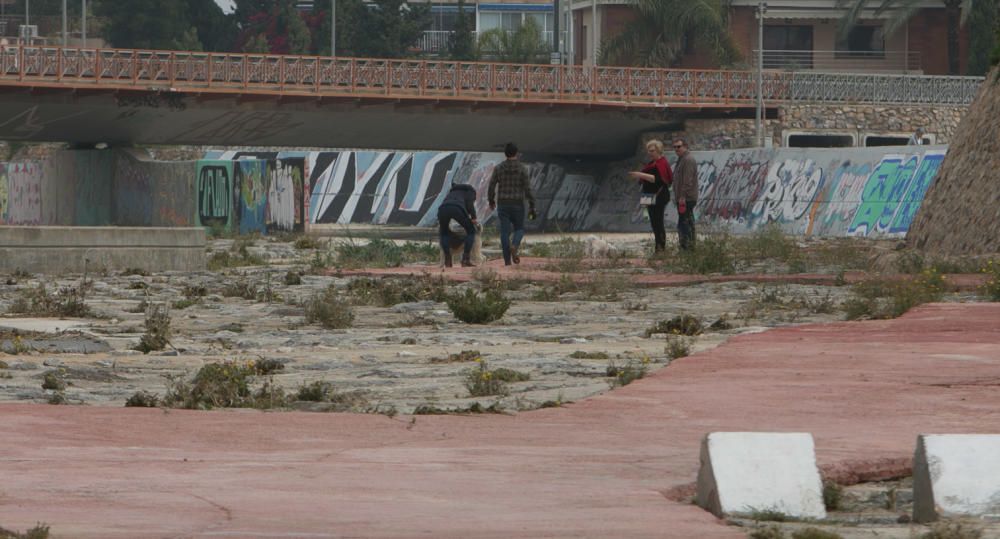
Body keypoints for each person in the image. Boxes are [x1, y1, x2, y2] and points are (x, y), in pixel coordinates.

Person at [488, 142, 536, 266]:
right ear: (516, 153)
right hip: (517, 204)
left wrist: (491, 200)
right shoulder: (522, 168)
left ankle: (507, 261)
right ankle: (514, 245)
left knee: (504, 232)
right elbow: (527, 188)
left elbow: (492, 185)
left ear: (505, 154)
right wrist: (532, 203)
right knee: (519, 229)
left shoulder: (499, 168)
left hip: (503, 204)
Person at [628, 139, 673, 253]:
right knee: (653, 222)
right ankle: (658, 247)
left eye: (652, 150)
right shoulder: (651, 163)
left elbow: (657, 179)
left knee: (658, 221)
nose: (650, 153)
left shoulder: (662, 163)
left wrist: (639, 174)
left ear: (658, 150)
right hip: (648, 195)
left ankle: (661, 248)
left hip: (659, 195)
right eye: (649, 151)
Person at [437, 181, 478, 267]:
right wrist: (473, 217)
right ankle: (465, 259)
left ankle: (447, 260)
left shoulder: (452, 192)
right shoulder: (470, 191)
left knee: (444, 232)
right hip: (457, 208)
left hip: (442, 209)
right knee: (471, 231)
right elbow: (470, 204)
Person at [672, 138, 699, 251]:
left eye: (679, 146)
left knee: (684, 223)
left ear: (685, 146)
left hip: (686, 198)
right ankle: (689, 247)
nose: (676, 149)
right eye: (675, 147)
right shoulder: (682, 159)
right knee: (687, 221)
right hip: (684, 197)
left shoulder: (687, 160)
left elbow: (687, 181)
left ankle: (687, 248)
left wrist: (682, 196)